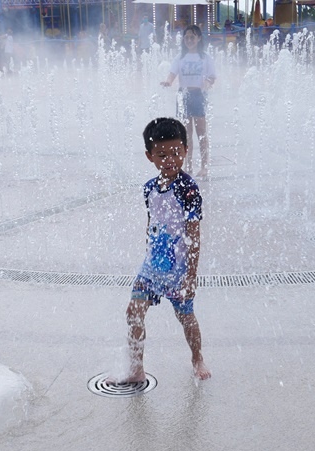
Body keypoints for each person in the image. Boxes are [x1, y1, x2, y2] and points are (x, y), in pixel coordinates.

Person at [112, 117, 211, 383]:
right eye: (162, 154)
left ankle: (197, 357)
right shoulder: (149, 188)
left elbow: (193, 234)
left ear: (185, 150)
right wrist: (148, 253)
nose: (170, 159)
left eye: (176, 152)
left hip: (179, 271)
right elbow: (151, 222)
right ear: (150, 156)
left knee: (186, 317)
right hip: (152, 268)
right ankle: (136, 369)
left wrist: (191, 275)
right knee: (133, 312)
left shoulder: (188, 189)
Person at [161, 25, 216, 178]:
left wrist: (208, 83)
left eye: (192, 37)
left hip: (198, 95)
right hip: (183, 96)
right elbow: (173, 73)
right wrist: (168, 82)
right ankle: (188, 165)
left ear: (198, 38)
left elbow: (212, 76)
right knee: (186, 134)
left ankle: (204, 166)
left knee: (201, 133)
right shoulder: (180, 57)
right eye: (186, 38)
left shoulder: (205, 57)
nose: (189, 40)